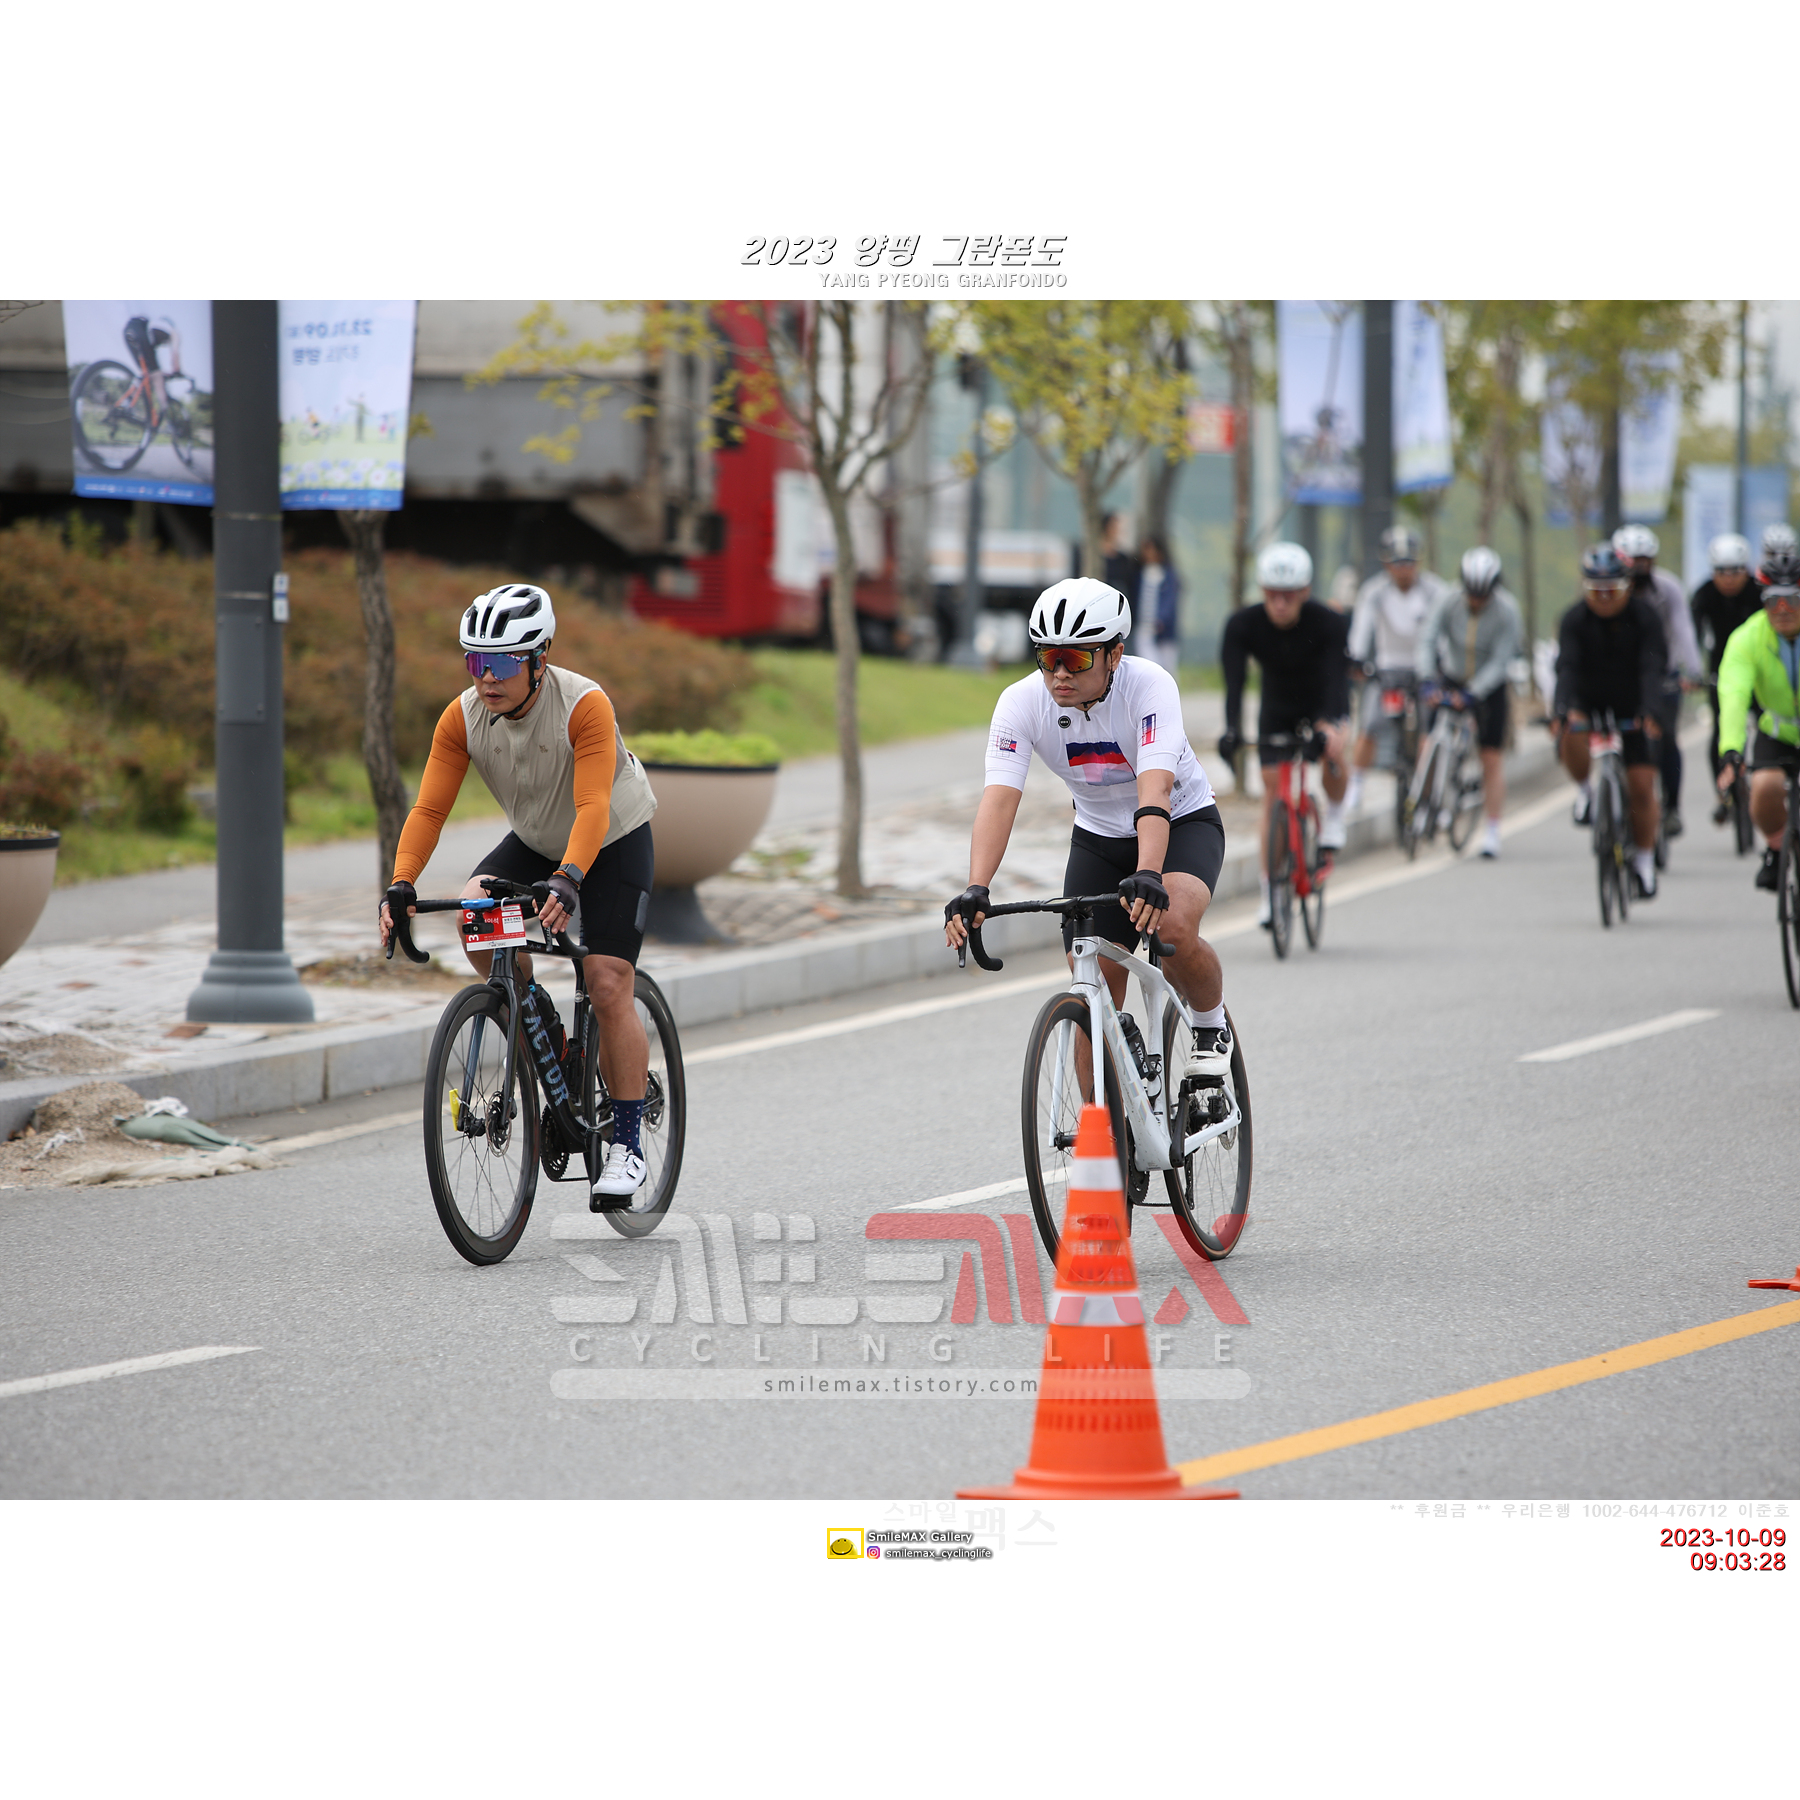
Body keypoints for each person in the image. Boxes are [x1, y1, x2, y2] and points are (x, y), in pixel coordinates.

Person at [377, 583, 660, 1207]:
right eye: (476, 661)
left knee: (607, 980)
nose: (487, 677)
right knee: (474, 913)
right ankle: (539, 1022)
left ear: (539, 659)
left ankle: (628, 1144)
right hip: (536, 840)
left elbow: (592, 805)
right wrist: (401, 884)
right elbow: (429, 809)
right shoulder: (461, 717)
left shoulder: (584, 705)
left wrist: (570, 876)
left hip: (611, 837)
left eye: (503, 662)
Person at [943, 576, 1233, 1075]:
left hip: (1180, 823)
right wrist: (976, 887)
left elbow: (1156, 789)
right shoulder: (1020, 703)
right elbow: (999, 800)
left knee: (1172, 927)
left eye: (1075, 659)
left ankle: (1211, 1025)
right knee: (1092, 992)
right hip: (1098, 839)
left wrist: (1149, 871)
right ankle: (1100, 1123)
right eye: (1047, 657)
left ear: (1114, 654)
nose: (1059, 673)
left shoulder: (1150, 686)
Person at [1219, 542, 1352, 923]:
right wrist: (1232, 730)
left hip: (1320, 702)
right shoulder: (1242, 624)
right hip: (1276, 708)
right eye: (1272, 595)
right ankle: (1269, 891)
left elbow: (1337, 680)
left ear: (1305, 592)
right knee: (1273, 792)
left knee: (1334, 749)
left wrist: (1331, 725)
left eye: (1289, 596)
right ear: (1262, 591)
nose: (1280, 603)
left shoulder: (1328, 622)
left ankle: (1335, 816)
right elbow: (1234, 684)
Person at [1553, 543, 1668, 899]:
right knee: (1570, 728)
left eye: (1612, 590)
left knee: (1641, 787)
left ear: (1628, 586)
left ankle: (1644, 862)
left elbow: (1652, 668)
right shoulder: (1573, 619)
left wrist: (1651, 711)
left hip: (1633, 701)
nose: (1603, 598)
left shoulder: (1646, 618)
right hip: (1588, 698)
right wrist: (1561, 710)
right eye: (1595, 591)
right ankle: (1585, 791)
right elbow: (1567, 667)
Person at [1416, 546, 1523, 860]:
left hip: (1488, 685)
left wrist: (1474, 692)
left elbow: (1503, 659)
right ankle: (1427, 803)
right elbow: (1427, 637)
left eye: (1482, 594)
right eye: (1471, 593)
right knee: (1429, 739)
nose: (1476, 600)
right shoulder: (1448, 600)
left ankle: (1492, 829)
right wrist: (1427, 678)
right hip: (1452, 675)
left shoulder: (1507, 611)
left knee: (1491, 757)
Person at [1345, 524, 1449, 815]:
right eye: (1397, 563)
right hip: (1388, 670)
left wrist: (1443, 663)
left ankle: (1428, 793)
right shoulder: (1374, 591)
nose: (1403, 570)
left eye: (1409, 563)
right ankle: (1356, 784)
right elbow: (1362, 628)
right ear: (1386, 564)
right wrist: (1357, 658)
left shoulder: (1435, 591)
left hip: (1425, 670)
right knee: (1369, 724)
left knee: (1429, 730)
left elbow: (1443, 629)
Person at [1715, 546, 1800, 891]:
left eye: (1792, 599)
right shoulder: (1747, 638)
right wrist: (1731, 749)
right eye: (1772, 600)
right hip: (1777, 731)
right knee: (1764, 787)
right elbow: (1734, 695)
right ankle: (1776, 849)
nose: (1782, 609)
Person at [1612, 524, 1703, 838]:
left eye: (1644, 561)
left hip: (1663, 672)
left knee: (1665, 737)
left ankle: (1672, 806)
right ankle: (1612, 794)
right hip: (1621, 674)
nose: (1638, 569)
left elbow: (1683, 628)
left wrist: (1692, 670)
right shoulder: (1609, 590)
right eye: (1631, 561)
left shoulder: (1668, 589)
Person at [1690, 532, 1762, 820]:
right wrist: (1692, 672)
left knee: (1767, 725)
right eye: (1722, 572)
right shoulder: (1704, 595)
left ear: (1746, 570)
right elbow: (1693, 637)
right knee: (1720, 732)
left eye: (1735, 571)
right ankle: (1723, 792)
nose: (1729, 579)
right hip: (1720, 671)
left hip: (1758, 672)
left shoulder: (1759, 593)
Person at [1138, 535, 1182, 675]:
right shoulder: (1140, 574)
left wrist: (1162, 619)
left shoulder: (1168, 574)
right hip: (1144, 628)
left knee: (1167, 669)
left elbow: (1170, 600)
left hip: (1164, 631)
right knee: (1149, 668)